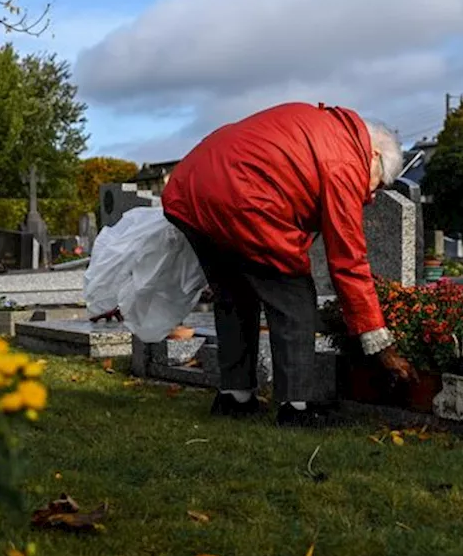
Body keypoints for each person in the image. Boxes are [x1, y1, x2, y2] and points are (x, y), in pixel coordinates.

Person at [161, 102, 415, 427]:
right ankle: (296, 408)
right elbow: (347, 260)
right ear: (374, 157)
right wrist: (376, 338)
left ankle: (235, 397)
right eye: (378, 184)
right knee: (294, 299)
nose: (373, 196)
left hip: (190, 187)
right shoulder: (346, 161)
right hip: (244, 197)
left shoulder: (326, 126)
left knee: (235, 294)